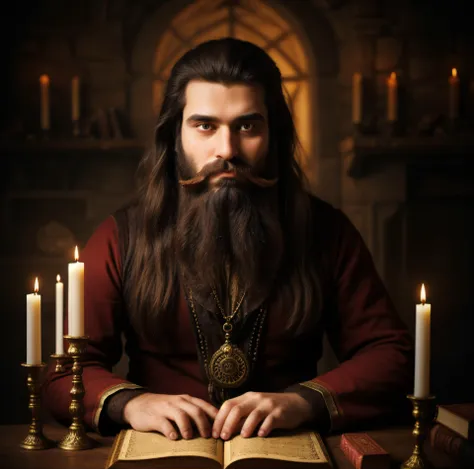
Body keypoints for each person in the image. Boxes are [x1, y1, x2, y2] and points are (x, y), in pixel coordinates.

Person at [43, 38, 414, 441]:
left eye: (247, 126)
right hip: (164, 452)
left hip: (286, 449)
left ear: (274, 133)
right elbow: (65, 372)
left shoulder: (327, 230)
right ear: (175, 136)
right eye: (205, 125)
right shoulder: (121, 236)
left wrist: (302, 402)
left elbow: (390, 356)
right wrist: (131, 404)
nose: (227, 150)